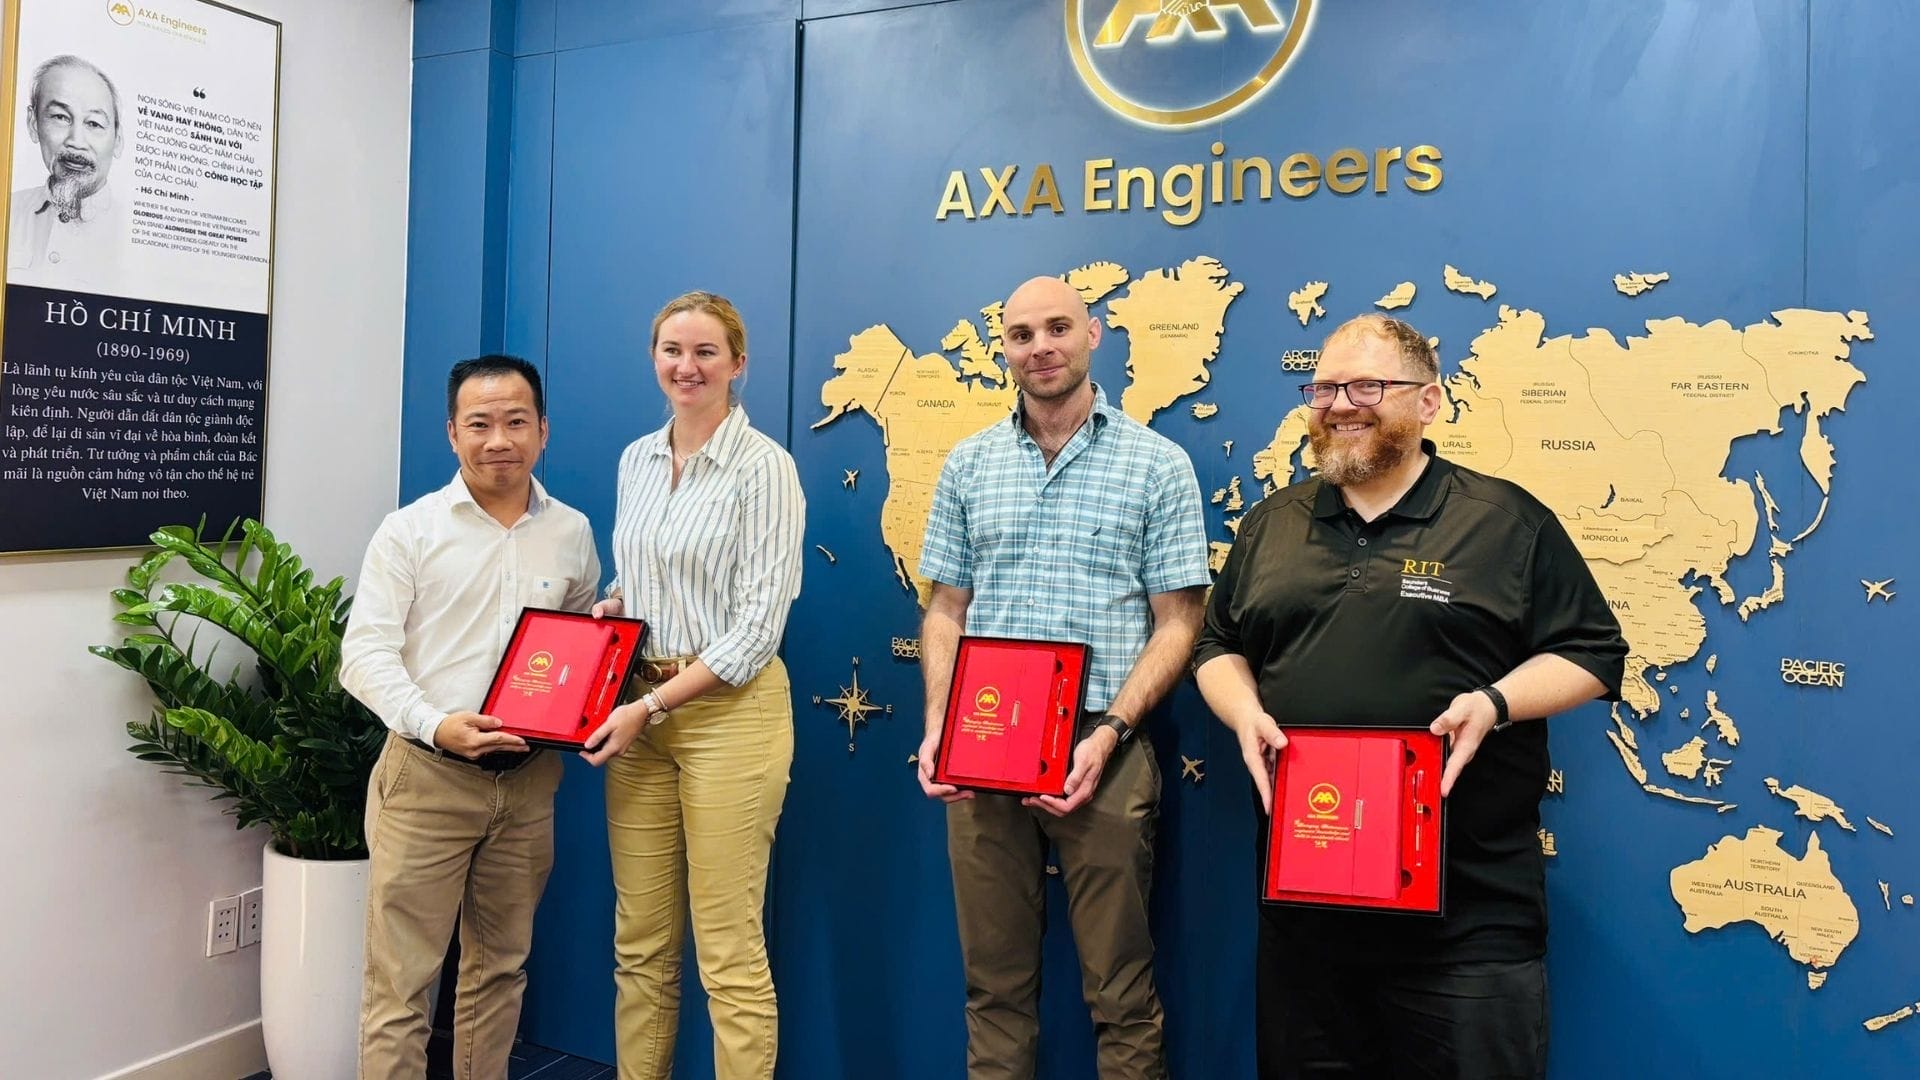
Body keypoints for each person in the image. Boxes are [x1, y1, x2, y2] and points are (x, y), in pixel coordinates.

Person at [1191, 314, 1629, 1079]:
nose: (1341, 404)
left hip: (1467, 930)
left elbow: (1593, 653)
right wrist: (1244, 710)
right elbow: (1215, 645)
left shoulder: (1506, 522)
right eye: (1324, 387)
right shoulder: (1270, 525)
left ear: (1429, 403)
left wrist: (1494, 702)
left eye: (1368, 385)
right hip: (1306, 923)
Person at [915, 275, 1211, 1080]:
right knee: (994, 987)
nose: (1039, 347)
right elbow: (945, 608)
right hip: (983, 746)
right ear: (1003, 348)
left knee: (1121, 992)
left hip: (1102, 748)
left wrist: (1111, 730)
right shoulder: (969, 464)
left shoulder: (1158, 464)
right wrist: (940, 723)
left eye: (1056, 328)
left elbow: (1180, 622)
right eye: (1019, 334)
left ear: (1094, 335)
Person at [341, 354, 600, 1079]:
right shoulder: (410, 531)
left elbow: (574, 646)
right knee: (401, 985)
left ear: (542, 431)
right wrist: (434, 722)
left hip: (528, 785)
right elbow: (362, 657)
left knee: (500, 971)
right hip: (427, 779)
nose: (499, 440)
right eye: (480, 424)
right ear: (452, 434)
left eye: (516, 421)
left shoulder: (572, 532)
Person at [582, 291, 805, 1080]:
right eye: (672, 350)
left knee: (728, 951)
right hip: (640, 717)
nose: (687, 366)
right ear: (655, 359)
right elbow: (640, 575)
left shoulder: (765, 468)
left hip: (728, 716)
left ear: (737, 365)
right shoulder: (636, 459)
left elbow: (755, 630)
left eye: (706, 352)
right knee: (639, 944)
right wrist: (613, 607)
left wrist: (646, 706)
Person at [8, 55, 130, 287]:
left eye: (93, 123)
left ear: (118, 140)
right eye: (60, 117)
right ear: (34, 124)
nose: (76, 141)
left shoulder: (133, 232)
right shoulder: (8, 211)